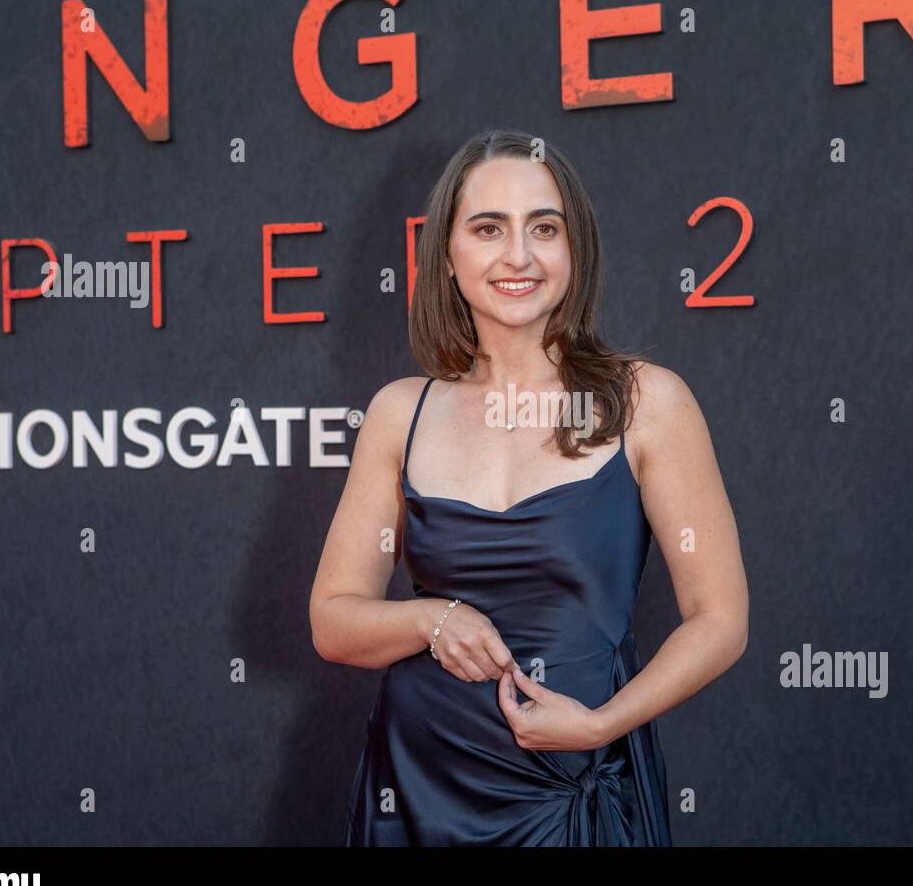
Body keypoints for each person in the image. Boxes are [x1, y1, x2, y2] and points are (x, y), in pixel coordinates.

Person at [310, 128, 748, 845]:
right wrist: (432, 619)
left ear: (574, 250)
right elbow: (332, 620)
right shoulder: (400, 413)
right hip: (421, 791)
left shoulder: (648, 403)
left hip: (573, 789)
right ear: (447, 256)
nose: (518, 255)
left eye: (544, 228)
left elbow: (720, 618)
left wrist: (602, 724)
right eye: (488, 229)